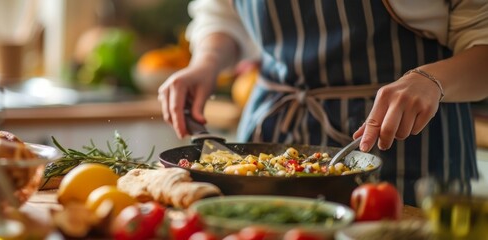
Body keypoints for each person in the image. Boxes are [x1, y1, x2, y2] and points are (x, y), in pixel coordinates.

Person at [157, 0, 488, 205]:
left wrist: (431, 80)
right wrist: (206, 64)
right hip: (272, 133)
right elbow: (223, 16)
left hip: (410, 146)